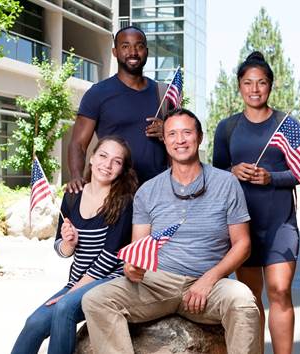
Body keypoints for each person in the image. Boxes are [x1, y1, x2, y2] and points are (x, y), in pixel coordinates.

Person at [82, 109, 261, 354]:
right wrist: (131, 267)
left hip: (208, 283)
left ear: (199, 137)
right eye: (172, 134)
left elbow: (243, 245)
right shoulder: (148, 190)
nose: (180, 140)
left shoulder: (226, 183)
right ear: (164, 140)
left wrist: (209, 280)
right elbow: (138, 249)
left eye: (187, 133)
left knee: (243, 300)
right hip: (156, 284)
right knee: (95, 299)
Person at [11, 136, 138, 354]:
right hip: (77, 282)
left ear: (122, 169)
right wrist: (69, 243)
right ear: (91, 158)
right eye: (103, 156)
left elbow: (109, 258)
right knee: (34, 323)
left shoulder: (124, 201)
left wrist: (69, 293)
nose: (107, 165)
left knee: (64, 307)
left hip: (109, 280)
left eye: (116, 161)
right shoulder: (72, 195)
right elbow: (61, 248)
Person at [212, 51, 300, 354]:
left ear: (270, 86)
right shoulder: (227, 127)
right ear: (239, 86)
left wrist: (271, 178)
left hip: (280, 223)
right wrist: (232, 171)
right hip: (242, 225)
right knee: (250, 297)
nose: (254, 89)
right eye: (248, 83)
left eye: (261, 83)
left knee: (280, 290)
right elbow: (215, 174)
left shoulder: (285, 123)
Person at [67, 25, 169, 192]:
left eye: (139, 46)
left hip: (157, 191)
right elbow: (78, 144)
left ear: (147, 52)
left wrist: (167, 131)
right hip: (114, 190)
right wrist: (76, 175)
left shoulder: (163, 93)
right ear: (115, 52)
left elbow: (181, 138)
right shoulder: (98, 93)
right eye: (125, 46)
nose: (133, 52)